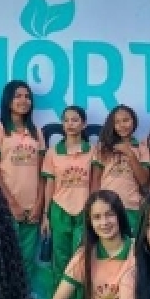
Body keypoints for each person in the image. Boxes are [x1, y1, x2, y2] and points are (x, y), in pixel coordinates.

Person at [45, 191, 134, 299]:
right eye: (97, 217)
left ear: (120, 216)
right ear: (90, 222)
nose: (104, 222)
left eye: (109, 215)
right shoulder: (85, 255)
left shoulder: (136, 253)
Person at [0, 81, 45, 281]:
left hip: (32, 209)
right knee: (4, 259)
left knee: (27, 261)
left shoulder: (36, 131)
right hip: (6, 207)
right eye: (18, 96)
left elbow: (42, 173)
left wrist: (38, 204)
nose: (24, 101)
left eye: (27, 96)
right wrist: (11, 204)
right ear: (8, 100)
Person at [41, 106, 93, 284]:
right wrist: (46, 215)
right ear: (62, 124)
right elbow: (49, 185)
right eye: (67, 120)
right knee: (60, 260)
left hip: (84, 210)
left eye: (75, 120)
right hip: (59, 210)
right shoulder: (53, 152)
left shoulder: (93, 151)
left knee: (80, 260)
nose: (70, 124)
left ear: (84, 124)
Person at [91, 105, 150, 235]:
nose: (122, 125)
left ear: (133, 121)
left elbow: (144, 180)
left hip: (132, 206)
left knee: (131, 246)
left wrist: (130, 154)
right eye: (117, 122)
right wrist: (94, 204)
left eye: (126, 120)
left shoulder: (142, 148)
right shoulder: (103, 148)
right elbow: (95, 179)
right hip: (107, 207)